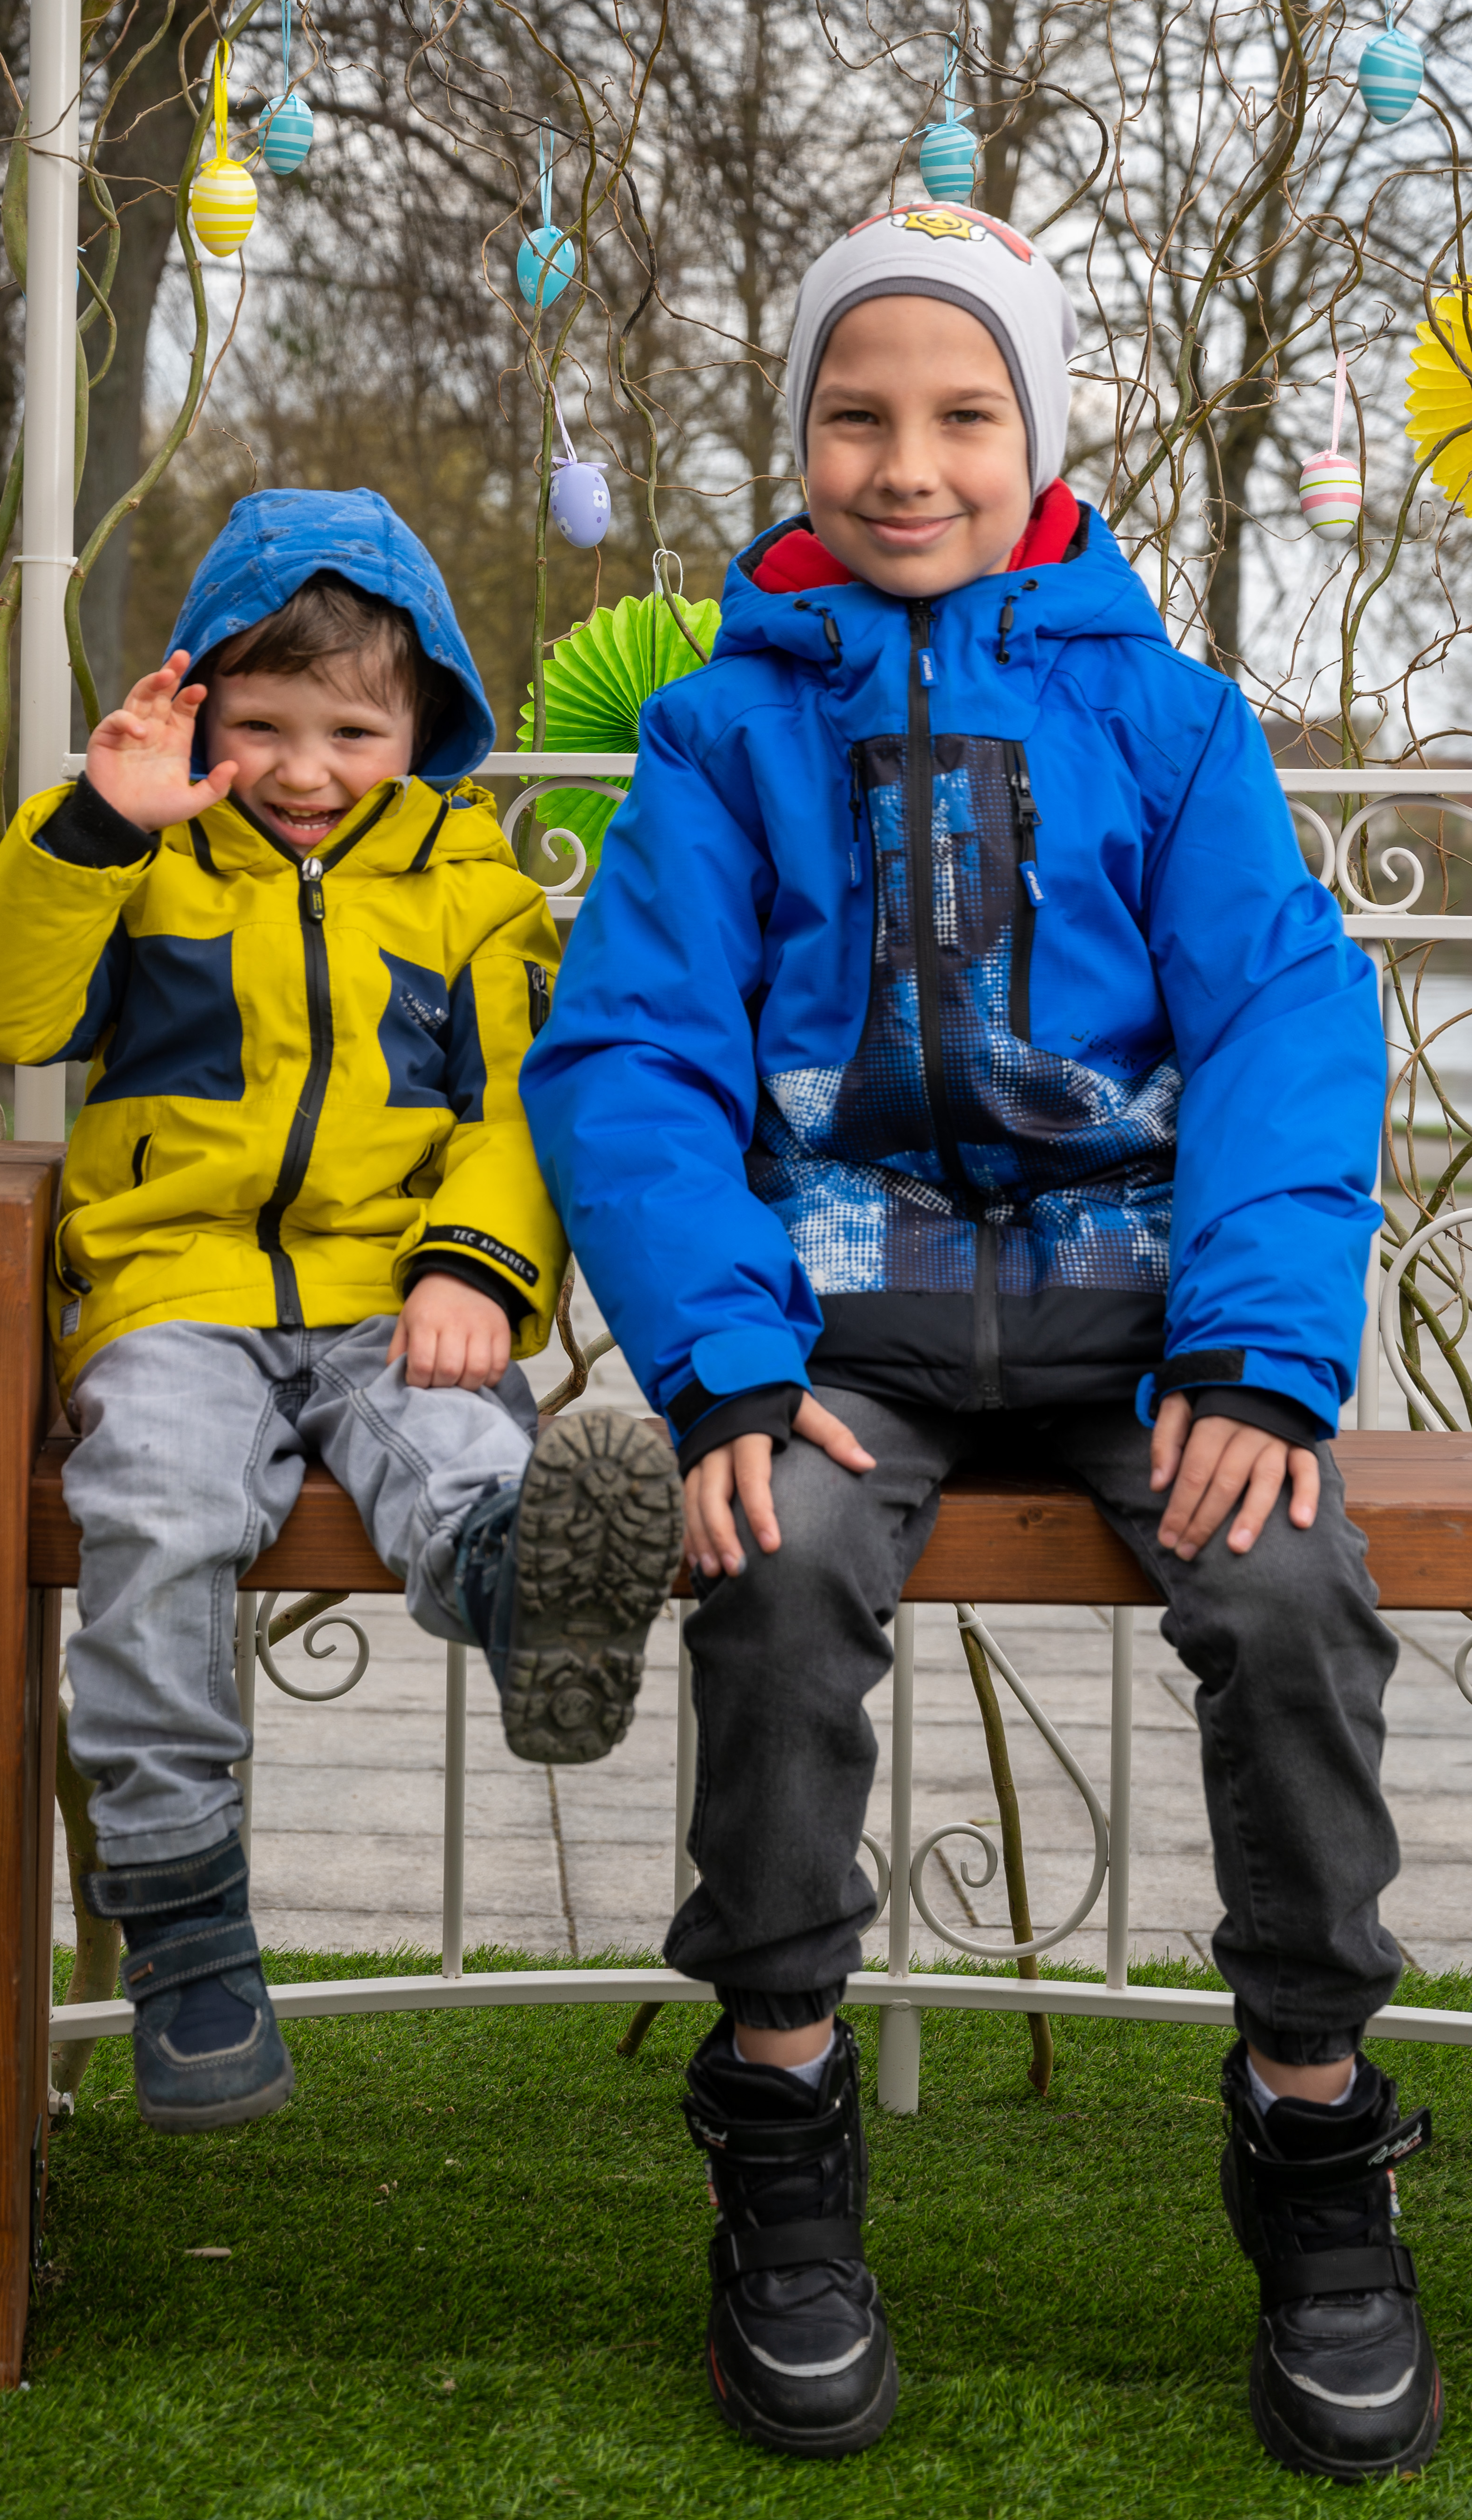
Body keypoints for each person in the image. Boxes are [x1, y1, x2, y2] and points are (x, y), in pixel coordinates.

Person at [522, 209, 1439, 2476]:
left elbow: (1284, 1021)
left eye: (960, 415)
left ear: (1041, 436)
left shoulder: (1166, 717)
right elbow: (632, 1058)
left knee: (1291, 1592)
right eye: (855, 415)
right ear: (799, 437)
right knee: (772, 1567)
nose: (904, 463)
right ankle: (779, 2117)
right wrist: (725, 1368)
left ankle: (1313, 2126)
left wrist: (1254, 1355)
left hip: (1144, 1323)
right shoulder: (720, 735)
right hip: (840, 1320)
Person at [0, 488, 682, 2137]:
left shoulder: (475, 892)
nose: (302, 768)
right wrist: (96, 826)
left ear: (423, 731)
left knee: (456, 1448)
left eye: (351, 731)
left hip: (391, 1295)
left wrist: (474, 1267)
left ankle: (527, 1590)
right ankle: (187, 1923)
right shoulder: (139, 860)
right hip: (176, 1295)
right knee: (159, 1508)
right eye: (262, 724)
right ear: (200, 708)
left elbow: (519, 1111)